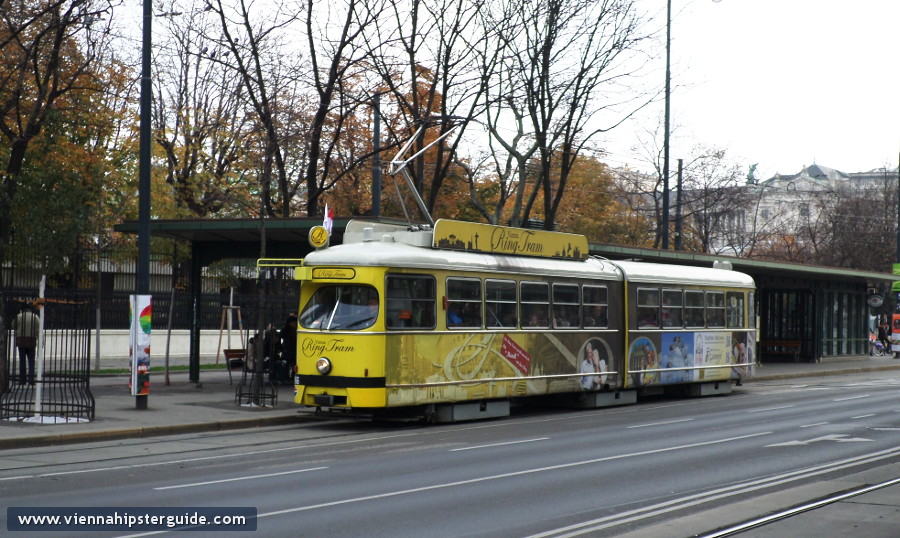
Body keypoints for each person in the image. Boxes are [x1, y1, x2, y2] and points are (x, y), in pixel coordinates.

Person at [12, 304, 40, 385]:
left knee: (22, 361)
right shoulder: (35, 317)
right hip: (31, 339)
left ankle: (22, 380)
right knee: (31, 361)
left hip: (21, 340)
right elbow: (38, 328)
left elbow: (13, 325)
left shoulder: (19, 316)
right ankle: (31, 380)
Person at [278, 314, 298, 384]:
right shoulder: (286, 330)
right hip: (288, 349)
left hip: (293, 349)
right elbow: (280, 336)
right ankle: (286, 377)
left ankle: (292, 377)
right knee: (287, 363)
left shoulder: (296, 329)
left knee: (294, 364)